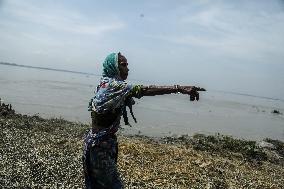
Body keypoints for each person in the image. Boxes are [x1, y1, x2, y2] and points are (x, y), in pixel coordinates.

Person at [83, 52, 205, 188]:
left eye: (127, 65)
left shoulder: (104, 83)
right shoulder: (115, 86)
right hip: (100, 147)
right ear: (113, 67)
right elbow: (144, 90)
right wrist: (179, 88)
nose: (127, 68)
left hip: (98, 143)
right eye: (123, 65)